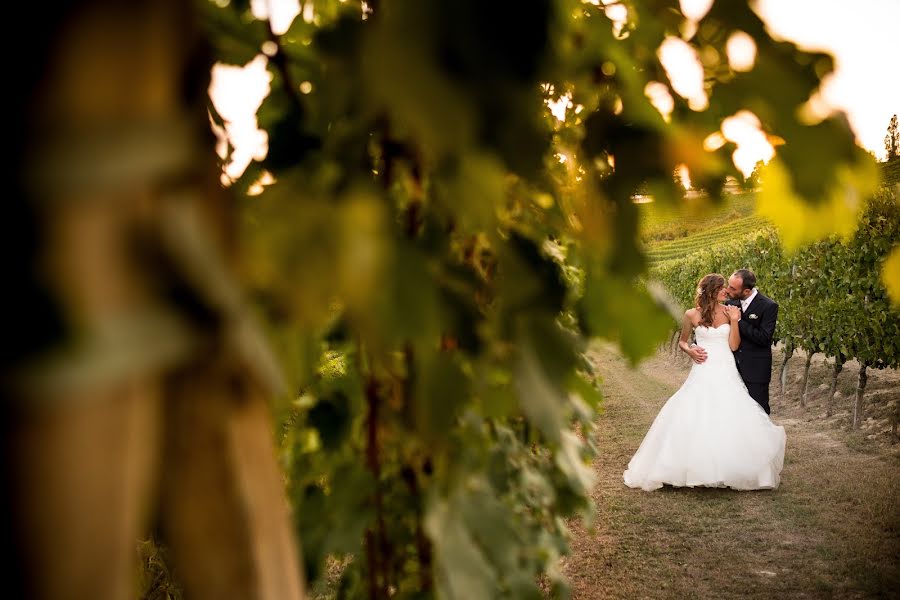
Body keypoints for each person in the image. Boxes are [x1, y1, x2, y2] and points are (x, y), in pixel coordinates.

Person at [623, 273, 785, 491]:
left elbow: (734, 346)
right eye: (721, 289)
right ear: (710, 290)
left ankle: (730, 467)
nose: (726, 292)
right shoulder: (691, 314)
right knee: (694, 410)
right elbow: (682, 341)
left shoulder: (729, 312)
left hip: (725, 366)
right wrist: (691, 350)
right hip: (702, 366)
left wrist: (735, 321)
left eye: (726, 289)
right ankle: (684, 467)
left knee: (729, 411)